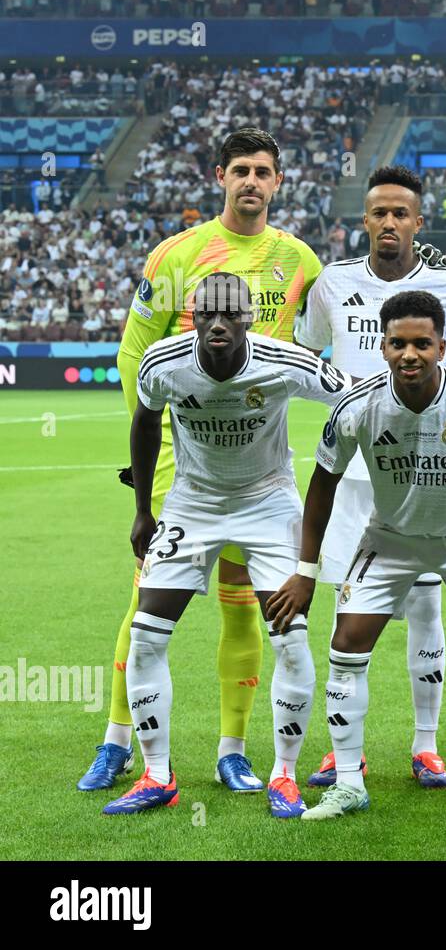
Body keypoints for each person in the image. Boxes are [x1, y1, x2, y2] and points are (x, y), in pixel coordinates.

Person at [80, 127, 324, 796]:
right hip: (183, 470)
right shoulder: (176, 255)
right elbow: (136, 352)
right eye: (240, 169)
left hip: (259, 468)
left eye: (263, 171)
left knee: (246, 608)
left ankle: (232, 749)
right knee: (146, 605)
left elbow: (318, 352)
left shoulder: (299, 261)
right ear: (220, 176)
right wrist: (158, 457)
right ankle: (117, 743)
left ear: (278, 183)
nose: (252, 180)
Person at [269, 291, 446, 825]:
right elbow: (322, 484)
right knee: (346, 645)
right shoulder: (357, 406)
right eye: (398, 343)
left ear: (442, 346)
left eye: (422, 343)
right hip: (388, 538)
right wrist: (305, 570)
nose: (410, 354)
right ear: (382, 346)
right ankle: (347, 784)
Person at [102, 272, 351, 817]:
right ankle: (157, 775)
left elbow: (353, 396)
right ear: (192, 315)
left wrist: (339, 461)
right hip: (193, 504)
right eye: (206, 313)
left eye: (230, 313)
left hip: (268, 503)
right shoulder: (163, 363)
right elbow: (145, 426)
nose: (218, 322)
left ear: (249, 318)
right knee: (146, 636)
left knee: (289, 637)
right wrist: (143, 511)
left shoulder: (285, 362)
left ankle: (283, 776)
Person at [293, 164, 446, 791]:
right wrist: (343, 401)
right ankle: (346, 753)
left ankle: (426, 747)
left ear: (418, 222)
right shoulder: (333, 283)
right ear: (363, 221)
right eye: (379, 214)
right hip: (355, 481)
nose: (389, 223)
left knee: (426, 608)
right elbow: (306, 352)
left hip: (424, 477)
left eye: (401, 214)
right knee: (350, 613)